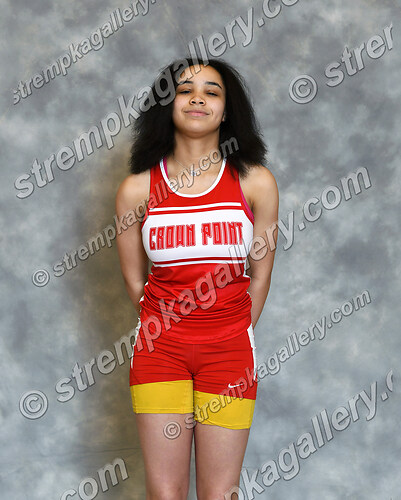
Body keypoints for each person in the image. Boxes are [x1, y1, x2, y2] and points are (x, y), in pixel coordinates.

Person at [115, 56, 279, 500]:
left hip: (229, 355)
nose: (197, 99)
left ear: (227, 111)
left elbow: (260, 275)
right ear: (167, 105)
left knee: (219, 492)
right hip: (159, 354)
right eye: (185, 90)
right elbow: (135, 282)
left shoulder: (255, 183)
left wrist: (230, 331)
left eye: (211, 91)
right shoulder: (137, 189)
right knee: (165, 493)